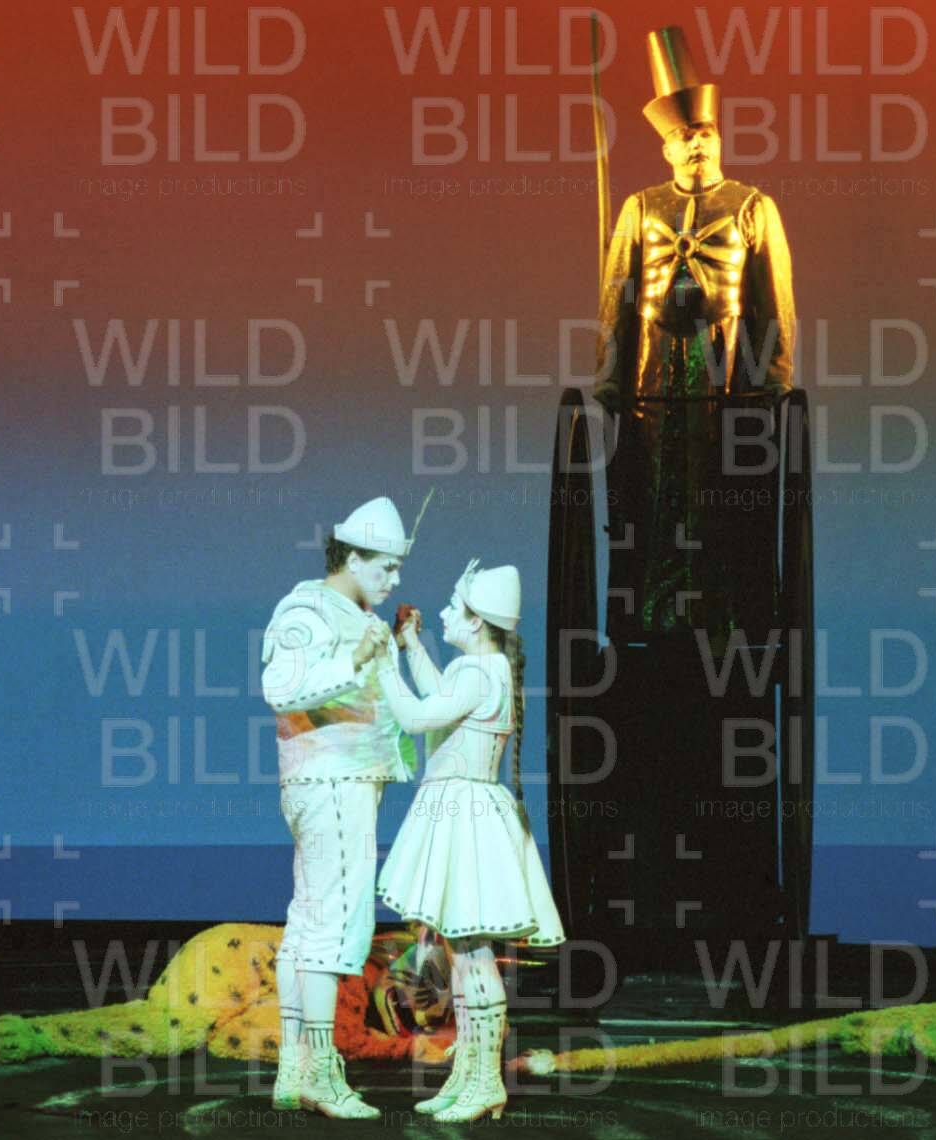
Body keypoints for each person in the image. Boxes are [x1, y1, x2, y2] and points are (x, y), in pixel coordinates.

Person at [593, 25, 797, 637]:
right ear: (667, 150)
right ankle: (652, 617)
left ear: (719, 137)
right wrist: (609, 379)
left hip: (725, 380)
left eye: (704, 132)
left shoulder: (752, 207)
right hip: (651, 383)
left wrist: (774, 381)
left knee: (722, 499)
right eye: (684, 136)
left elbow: (774, 306)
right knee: (651, 501)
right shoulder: (639, 208)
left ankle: (720, 615)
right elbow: (617, 299)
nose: (697, 144)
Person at [373, 560, 566, 1122]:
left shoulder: (480, 672)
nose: (443, 614)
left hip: (466, 818)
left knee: (474, 956)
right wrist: (411, 646)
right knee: (462, 956)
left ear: (477, 620)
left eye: (454, 608)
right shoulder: (483, 669)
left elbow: (416, 717)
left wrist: (382, 660)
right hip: (465, 811)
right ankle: (469, 1075)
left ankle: (485, 1082)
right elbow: (440, 703)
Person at [259, 496, 419, 1119]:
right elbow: (280, 687)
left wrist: (392, 646)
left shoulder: (350, 612)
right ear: (351, 557)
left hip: (341, 779)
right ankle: (324, 1074)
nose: (393, 578)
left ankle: (294, 1067)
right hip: (331, 780)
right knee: (338, 923)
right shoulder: (306, 607)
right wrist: (353, 658)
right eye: (385, 566)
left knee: (308, 923)